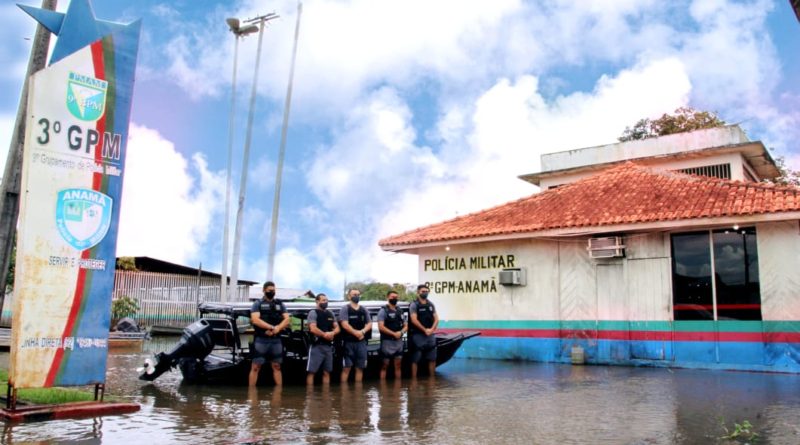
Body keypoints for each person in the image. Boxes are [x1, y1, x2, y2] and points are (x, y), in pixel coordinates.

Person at [249, 281, 290, 386]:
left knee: (277, 366)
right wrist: (271, 327)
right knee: (255, 367)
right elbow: (255, 320)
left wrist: (278, 328)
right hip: (261, 339)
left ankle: (278, 394)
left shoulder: (280, 304)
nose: (272, 292)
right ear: (264, 290)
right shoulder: (257, 304)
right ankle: (252, 395)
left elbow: (287, 320)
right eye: (270, 290)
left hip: (276, 340)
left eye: (274, 290)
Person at [339, 288, 372, 383]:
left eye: (358, 294)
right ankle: (344, 394)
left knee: (360, 368)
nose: (356, 296)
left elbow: (369, 323)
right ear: (349, 296)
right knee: (347, 368)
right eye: (354, 294)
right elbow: (344, 324)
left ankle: (358, 394)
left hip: (361, 343)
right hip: (348, 343)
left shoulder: (364, 309)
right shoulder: (345, 309)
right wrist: (356, 333)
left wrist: (362, 332)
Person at [306, 293, 339, 385]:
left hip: (328, 347)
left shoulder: (330, 313)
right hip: (317, 346)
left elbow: (337, 328)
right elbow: (313, 328)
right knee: (312, 372)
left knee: (327, 372)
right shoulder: (313, 313)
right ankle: (309, 397)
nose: (326, 302)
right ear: (317, 301)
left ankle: (326, 396)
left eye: (326, 300)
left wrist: (332, 333)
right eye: (323, 300)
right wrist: (325, 335)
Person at [409, 284, 439, 378]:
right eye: (423, 291)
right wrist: (424, 329)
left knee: (432, 358)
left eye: (426, 291)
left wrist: (431, 329)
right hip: (418, 335)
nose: (425, 293)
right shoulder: (414, 305)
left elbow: (436, 318)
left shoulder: (431, 304)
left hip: (430, 335)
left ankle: (432, 380)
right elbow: (414, 320)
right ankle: (413, 381)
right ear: (418, 292)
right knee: (415, 359)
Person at [377, 290, 407, 380]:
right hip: (387, 342)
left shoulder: (400, 311)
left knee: (398, 366)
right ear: (388, 297)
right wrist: (394, 334)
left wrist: (401, 333)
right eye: (392, 297)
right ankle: (383, 390)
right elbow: (381, 327)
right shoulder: (383, 311)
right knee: (384, 366)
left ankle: (397, 390)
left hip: (398, 342)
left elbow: (406, 325)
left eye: (396, 297)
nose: (394, 299)